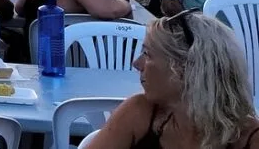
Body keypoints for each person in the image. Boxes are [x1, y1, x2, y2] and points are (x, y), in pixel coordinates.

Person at [85, 10, 259, 149]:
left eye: (147, 54)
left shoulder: (250, 138)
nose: (137, 64)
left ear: (184, 69)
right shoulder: (139, 113)